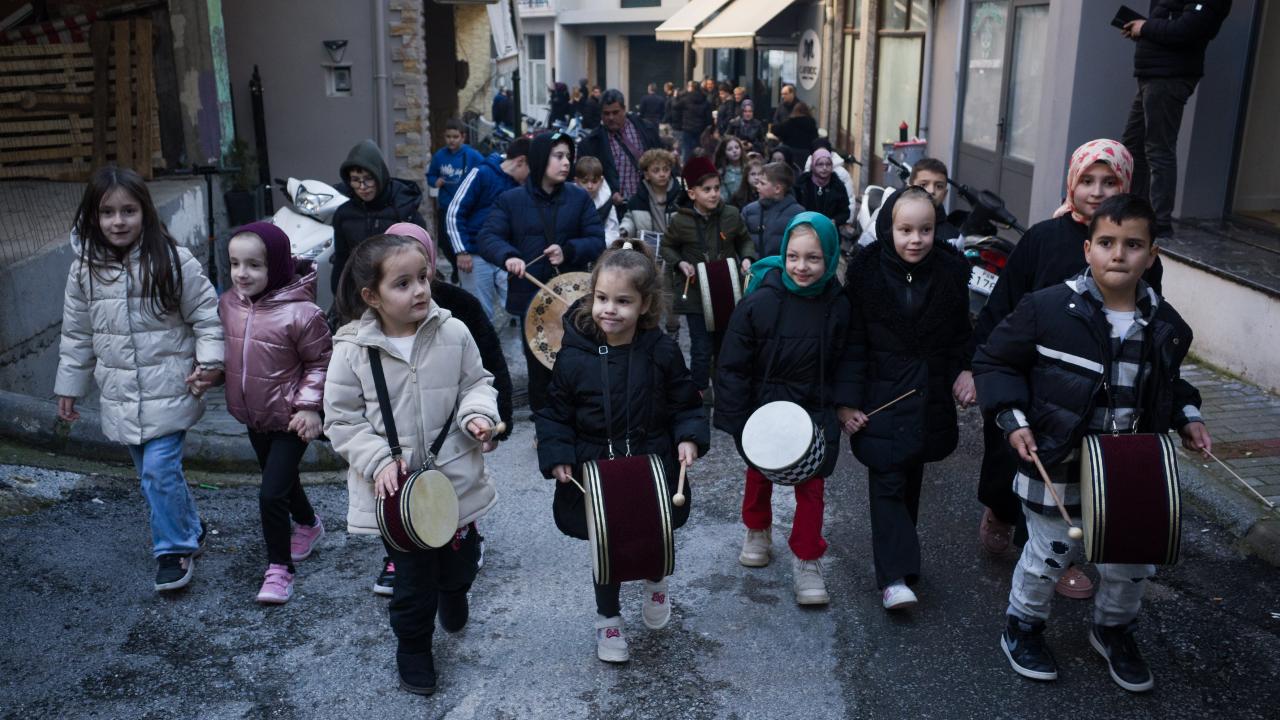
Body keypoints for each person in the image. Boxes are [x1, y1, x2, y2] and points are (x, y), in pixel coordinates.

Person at [974, 193, 1211, 693]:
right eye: (1106, 242)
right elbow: (995, 361)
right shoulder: (1047, 309)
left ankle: (1113, 630)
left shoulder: (1166, 326)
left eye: (1132, 244)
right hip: (1057, 457)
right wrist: (1012, 417)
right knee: (1050, 553)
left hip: (1130, 467)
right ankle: (1024, 626)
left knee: (1130, 559)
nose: (1118, 254)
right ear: (1088, 250)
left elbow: (1170, 385)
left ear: (1152, 255)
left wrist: (1188, 415)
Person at [970, 139, 1163, 601]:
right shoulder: (1043, 238)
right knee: (1010, 463)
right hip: (1030, 376)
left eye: (1110, 181)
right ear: (1071, 184)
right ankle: (999, 510)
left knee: (1072, 473)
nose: (1096, 192)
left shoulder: (1137, 252)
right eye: (1087, 180)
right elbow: (1002, 305)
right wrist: (972, 369)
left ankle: (1054, 559)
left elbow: (1153, 319)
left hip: (1091, 385)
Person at [324, 233, 500, 695]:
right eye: (402, 284)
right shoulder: (351, 351)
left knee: (458, 565)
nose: (420, 290)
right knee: (413, 583)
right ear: (371, 296)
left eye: (423, 278)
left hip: (455, 480)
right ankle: (414, 648)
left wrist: (479, 414)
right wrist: (377, 458)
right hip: (398, 495)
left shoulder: (454, 331)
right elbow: (341, 421)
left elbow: (478, 384)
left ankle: (455, 590)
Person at [535, 239, 709, 663]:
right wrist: (557, 454)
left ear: (645, 305)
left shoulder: (662, 351)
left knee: (654, 536)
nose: (609, 309)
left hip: (651, 463)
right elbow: (555, 413)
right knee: (605, 546)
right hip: (596, 468)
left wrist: (689, 436)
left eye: (622, 301)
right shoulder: (573, 357)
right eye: (601, 298)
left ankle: (655, 581)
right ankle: (608, 618)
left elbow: (685, 403)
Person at [55, 166, 224, 592]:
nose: (118, 221)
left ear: (145, 212)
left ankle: (173, 549)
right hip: (121, 394)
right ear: (93, 216)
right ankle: (190, 528)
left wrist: (209, 364)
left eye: (128, 210)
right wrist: (69, 388)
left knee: (158, 472)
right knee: (154, 474)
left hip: (171, 388)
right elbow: (77, 334)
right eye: (107, 212)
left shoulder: (171, 259)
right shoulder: (82, 272)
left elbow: (206, 316)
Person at [842, 187, 973, 610]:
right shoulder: (866, 276)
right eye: (905, 230)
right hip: (880, 397)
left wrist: (966, 371)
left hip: (927, 396)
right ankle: (893, 577)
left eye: (925, 230)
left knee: (909, 477)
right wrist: (846, 402)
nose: (915, 239)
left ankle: (903, 564)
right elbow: (852, 344)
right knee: (887, 479)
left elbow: (959, 337)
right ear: (887, 229)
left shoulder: (951, 275)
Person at [366, 222, 514, 599]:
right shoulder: (368, 327)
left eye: (421, 269)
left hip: (452, 427)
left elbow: (487, 367)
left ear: (431, 261)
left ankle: (462, 548)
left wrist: (496, 420)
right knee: (398, 500)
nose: (415, 284)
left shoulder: (460, 308)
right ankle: (399, 555)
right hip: (397, 439)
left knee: (456, 490)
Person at [715, 212, 856, 605]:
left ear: (829, 257)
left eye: (813, 258)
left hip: (815, 408)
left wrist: (845, 404)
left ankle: (808, 558)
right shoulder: (761, 299)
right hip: (764, 407)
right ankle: (757, 529)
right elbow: (733, 361)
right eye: (793, 256)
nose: (802, 266)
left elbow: (850, 357)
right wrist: (737, 417)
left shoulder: (838, 304)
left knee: (812, 486)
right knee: (758, 474)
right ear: (782, 254)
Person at [220, 222, 331, 604]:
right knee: (279, 480)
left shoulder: (303, 313)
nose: (241, 273)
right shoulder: (229, 303)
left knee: (270, 493)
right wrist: (211, 373)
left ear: (278, 266)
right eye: (235, 263)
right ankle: (309, 525)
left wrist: (309, 406)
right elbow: (233, 352)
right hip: (254, 415)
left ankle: (279, 569)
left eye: (253, 265)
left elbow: (321, 362)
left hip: (291, 419)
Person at [476, 131, 606, 414]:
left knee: (578, 360)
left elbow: (598, 241)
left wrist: (568, 251)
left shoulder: (578, 198)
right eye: (558, 156)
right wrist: (508, 256)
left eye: (568, 157)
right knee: (538, 364)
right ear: (539, 158)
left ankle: (579, 421)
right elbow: (487, 237)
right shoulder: (511, 200)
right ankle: (545, 428)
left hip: (572, 297)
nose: (566, 163)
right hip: (531, 297)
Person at [1120, 0, 1231, 238]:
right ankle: (1136, 210)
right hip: (1152, 75)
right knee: (1133, 145)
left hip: (1168, 77)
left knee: (1158, 149)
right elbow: (1171, 26)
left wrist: (1145, 28)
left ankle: (1159, 222)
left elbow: (1188, 30)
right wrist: (1141, 30)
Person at [660, 157, 754, 397]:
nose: (714, 194)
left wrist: (747, 258)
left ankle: (725, 392)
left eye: (716, 188)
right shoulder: (680, 221)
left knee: (724, 346)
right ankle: (700, 393)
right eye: (706, 190)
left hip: (726, 291)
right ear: (692, 194)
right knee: (701, 348)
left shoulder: (731, 215)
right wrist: (680, 262)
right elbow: (668, 247)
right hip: (695, 295)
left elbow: (744, 240)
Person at [446, 136, 531, 323]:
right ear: (520, 162)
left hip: (504, 254)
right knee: (478, 313)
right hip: (474, 256)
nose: (530, 177)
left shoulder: (519, 185)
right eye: (530, 170)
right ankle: (481, 352)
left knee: (522, 305)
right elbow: (454, 212)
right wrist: (461, 251)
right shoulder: (482, 174)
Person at [330, 139, 427, 295]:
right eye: (355, 180)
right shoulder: (344, 213)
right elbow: (342, 259)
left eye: (368, 179)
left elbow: (423, 255)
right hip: (360, 293)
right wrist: (339, 294)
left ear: (379, 176)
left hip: (400, 292)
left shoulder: (403, 208)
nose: (362, 187)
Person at [576, 89, 662, 207]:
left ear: (624, 110)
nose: (611, 117)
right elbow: (583, 178)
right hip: (615, 207)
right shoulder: (591, 144)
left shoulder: (647, 130)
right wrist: (610, 193)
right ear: (601, 114)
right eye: (606, 113)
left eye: (615, 112)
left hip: (648, 203)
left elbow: (661, 160)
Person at [427, 118, 485, 284]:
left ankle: (462, 269)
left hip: (466, 207)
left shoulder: (472, 155)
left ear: (463, 137)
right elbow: (431, 175)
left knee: (461, 239)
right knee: (445, 243)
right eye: (448, 136)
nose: (451, 140)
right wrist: (435, 181)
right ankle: (454, 266)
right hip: (446, 206)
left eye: (455, 136)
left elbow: (484, 172)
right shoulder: (440, 156)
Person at [742, 161, 804, 258]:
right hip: (754, 270)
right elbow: (741, 241)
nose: (757, 186)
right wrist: (745, 259)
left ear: (777, 189)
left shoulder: (798, 214)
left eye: (762, 183)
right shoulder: (749, 211)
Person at [619, 148, 682, 239]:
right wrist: (625, 230)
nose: (662, 174)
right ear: (647, 175)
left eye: (666, 169)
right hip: (649, 248)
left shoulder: (681, 195)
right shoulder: (638, 199)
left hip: (677, 247)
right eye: (656, 170)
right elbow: (630, 219)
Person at [908, 157, 962, 248]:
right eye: (923, 185)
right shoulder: (886, 223)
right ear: (909, 189)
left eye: (939, 186)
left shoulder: (953, 239)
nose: (931, 191)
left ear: (945, 194)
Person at [795, 147, 851, 228]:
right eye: (820, 164)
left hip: (828, 230)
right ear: (813, 165)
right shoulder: (803, 183)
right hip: (805, 229)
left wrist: (835, 220)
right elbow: (795, 206)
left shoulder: (837, 185)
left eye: (828, 164)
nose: (824, 168)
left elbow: (845, 212)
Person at [575, 155, 621, 244]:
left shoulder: (607, 204)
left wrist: (595, 245)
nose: (590, 186)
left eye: (594, 181)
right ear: (577, 181)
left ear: (601, 180)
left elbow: (613, 233)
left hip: (600, 249)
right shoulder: (568, 200)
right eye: (585, 181)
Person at [675, 81, 713, 165]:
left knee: (687, 151)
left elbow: (675, 106)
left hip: (687, 129)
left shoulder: (686, 98)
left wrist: (676, 96)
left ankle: (687, 170)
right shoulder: (705, 99)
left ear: (691, 88)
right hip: (700, 130)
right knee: (699, 151)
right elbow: (709, 118)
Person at [773, 102, 819, 168]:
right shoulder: (811, 123)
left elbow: (777, 131)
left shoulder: (789, 122)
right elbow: (815, 138)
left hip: (790, 153)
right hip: (805, 153)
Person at [715, 136, 747, 204]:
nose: (734, 151)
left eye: (737, 147)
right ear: (724, 153)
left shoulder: (748, 168)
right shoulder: (722, 173)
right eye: (730, 149)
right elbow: (724, 198)